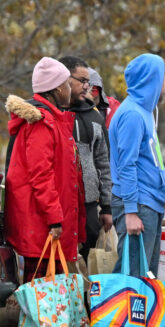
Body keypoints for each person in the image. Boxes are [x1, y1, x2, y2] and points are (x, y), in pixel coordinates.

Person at [107, 53, 165, 327]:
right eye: (163, 77)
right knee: (133, 274)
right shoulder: (132, 115)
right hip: (139, 203)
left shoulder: (144, 112)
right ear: (151, 80)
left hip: (150, 202)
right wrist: (131, 211)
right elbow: (128, 165)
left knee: (144, 274)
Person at [5, 57, 85, 282]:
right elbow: (41, 176)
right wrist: (55, 220)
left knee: (48, 299)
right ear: (58, 88)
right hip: (43, 228)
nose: (70, 89)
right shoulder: (42, 123)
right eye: (68, 84)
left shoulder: (54, 121)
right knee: (44, 298)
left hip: (46, 226)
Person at [59, 56, 112, 264]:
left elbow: (103, 164)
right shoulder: (51, 115)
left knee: (90, 270)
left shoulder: (95, 117)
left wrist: (106, 208)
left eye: (88, 82)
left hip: (90, 206)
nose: (86, 87)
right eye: (82, 81)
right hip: (61, 205)